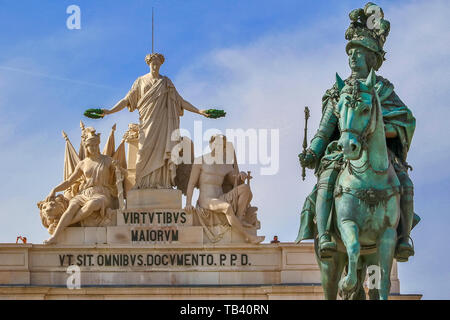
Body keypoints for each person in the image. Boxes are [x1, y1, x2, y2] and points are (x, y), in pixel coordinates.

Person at [297, 3, 417, 262]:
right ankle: (326, 233)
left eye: (358, 52)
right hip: (342, 153)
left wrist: (379, 134)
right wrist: (312, 152)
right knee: (326, 182)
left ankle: (404, 237)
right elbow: (325, 128)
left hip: (380, 157)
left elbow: (406, 122)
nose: (352, 57)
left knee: (405, 184)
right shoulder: (338, 91)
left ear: (371, 58)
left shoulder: (383, 91)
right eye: (350, 52)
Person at [102, 53, 209, 189]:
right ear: (148, 64)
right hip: (146, 123)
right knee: (143, 152)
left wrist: (198, 111)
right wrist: (110, 111)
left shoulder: (166, 82)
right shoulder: (140, 81)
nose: (155, 65)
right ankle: (140, 183)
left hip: (163, 124)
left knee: (162, 150)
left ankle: (162, 183)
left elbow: (180, 101)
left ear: (161, 64)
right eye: (153, 63)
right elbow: (126, 100)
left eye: (158, 63)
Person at [184, 135, 265, 244]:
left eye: (221, 145)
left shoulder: (226, 164)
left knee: (245, 189)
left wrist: (242, 175)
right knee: (227, 207)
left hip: (220, 197)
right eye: (216, 144)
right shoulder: (200, 161)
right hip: (206, 200)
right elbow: (191, 184)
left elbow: (235, 181)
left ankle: (239, 219)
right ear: (210, 144)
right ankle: (247, 237)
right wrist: (188, 203)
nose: (218, 147)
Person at [43, 129, 117, 244]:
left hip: (102, 193)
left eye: (95, 145)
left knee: (92, 204)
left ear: (98, 144)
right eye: (89, 146)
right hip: (85, 193)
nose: (92, 148)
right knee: (71, 208)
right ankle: (55, 237)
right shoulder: (83, 163)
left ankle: (69, 223)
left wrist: (120, 169)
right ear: (86, 147)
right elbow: (69, 181)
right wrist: (55, 189)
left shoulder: (107, 160)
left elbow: (123, 174)